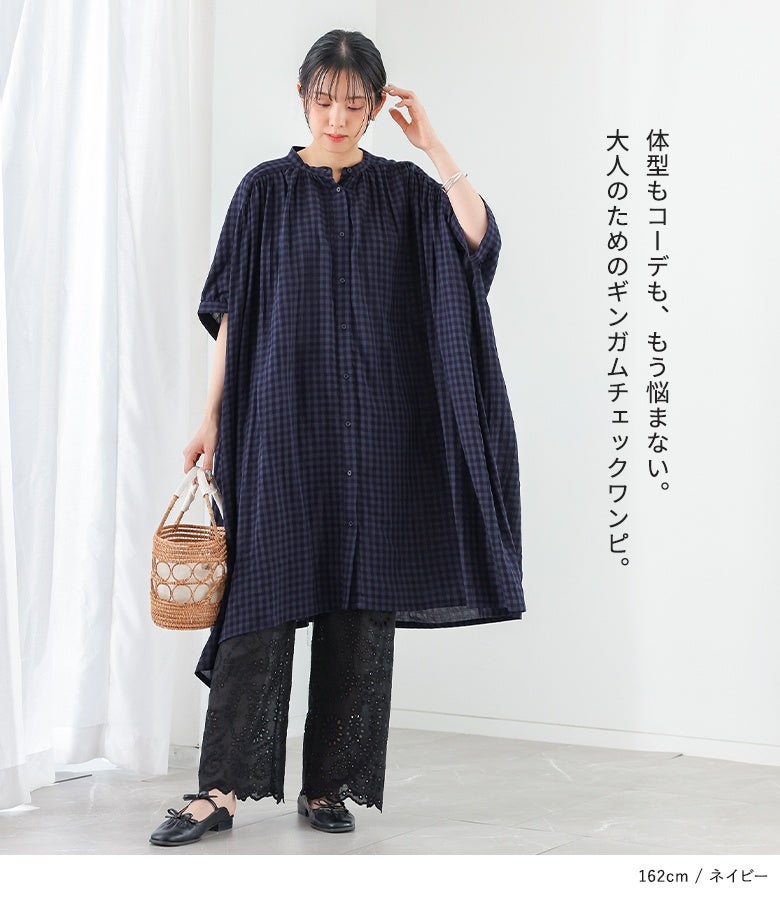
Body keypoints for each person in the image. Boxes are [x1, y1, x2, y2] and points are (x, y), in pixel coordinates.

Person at [149, 28, 525, 848]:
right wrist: (210, 417)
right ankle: (219, 790)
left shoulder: (406, 190)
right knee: (257, 603)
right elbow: (231, 313)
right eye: (325, 101)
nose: (338, 117)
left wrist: (434, 147)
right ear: (303, 97)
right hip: (278, 423)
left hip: (377, 431)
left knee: (359, 607)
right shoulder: (264, 191)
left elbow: (475, 244)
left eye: (355, 104)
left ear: (377, 105)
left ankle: (329, 786)